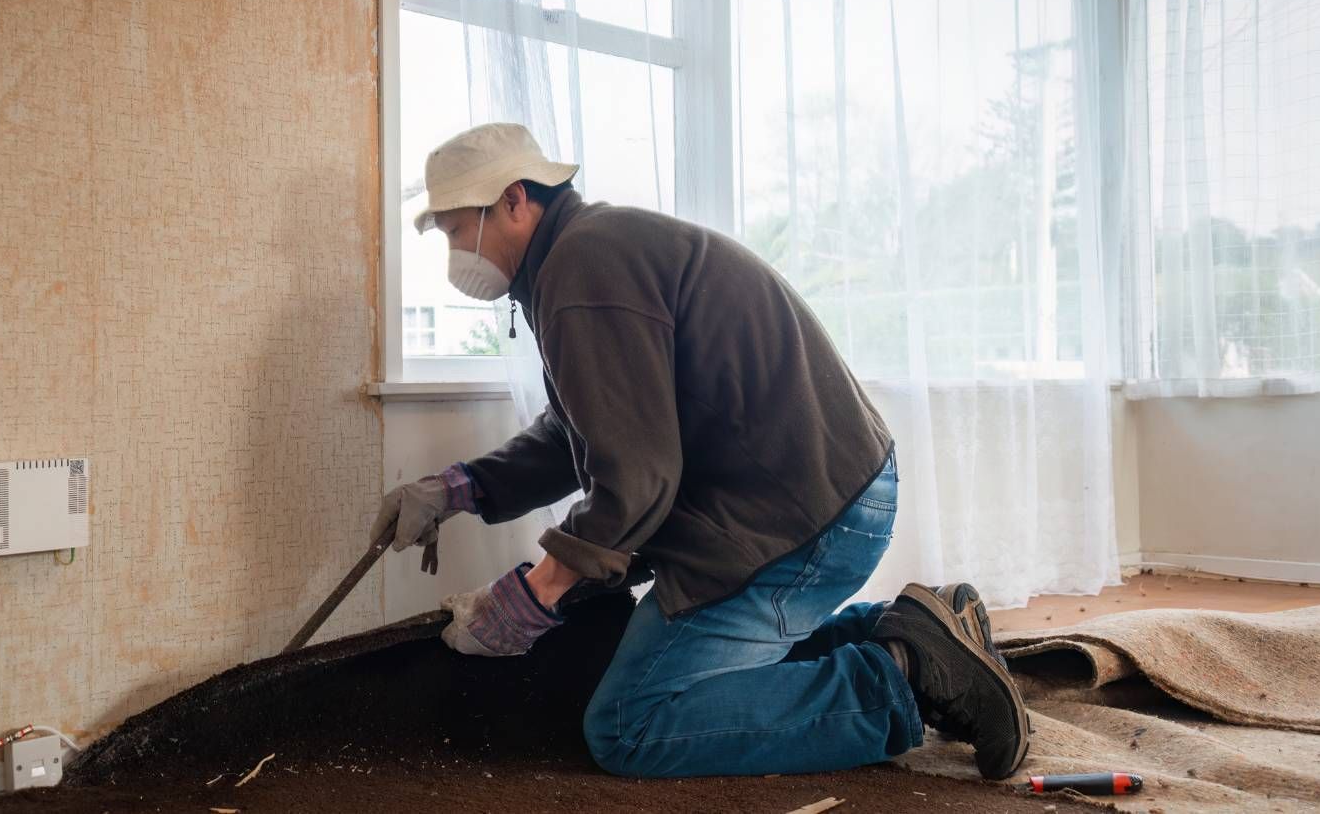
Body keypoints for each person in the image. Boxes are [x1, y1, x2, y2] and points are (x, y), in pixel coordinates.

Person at [372, 122, 1029, 780]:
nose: (457, 253)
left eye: (459, 230)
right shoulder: (585, 255)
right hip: (823, 492)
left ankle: (902, 679)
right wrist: (462, 488)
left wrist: (534, 593)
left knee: (630, 722)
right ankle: (914, 632)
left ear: (514, 200)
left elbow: (637, 475)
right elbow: (588, 428)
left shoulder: (581, 268)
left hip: (798, 519)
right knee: (678, 678)